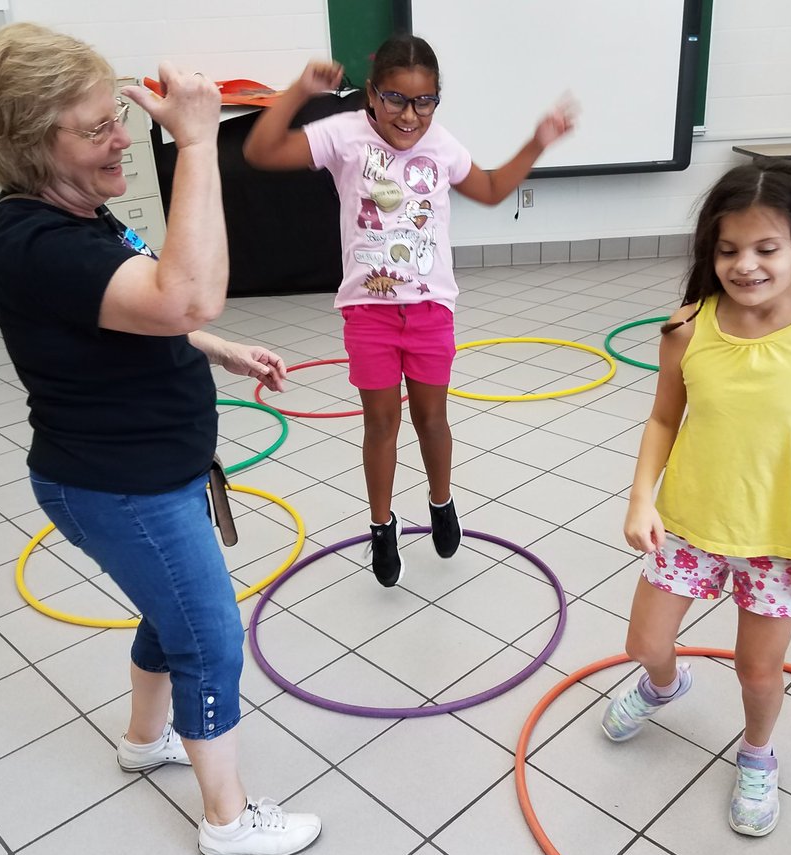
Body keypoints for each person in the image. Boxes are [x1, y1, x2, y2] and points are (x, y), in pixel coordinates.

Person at [0, 23, 320, 855]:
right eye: (96, 127)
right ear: (29, 142)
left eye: (115, 118)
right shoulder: (34, 240)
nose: (123, 136)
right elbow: (185, 294)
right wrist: (196, 141)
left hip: (140, 475)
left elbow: (150, 306)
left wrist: (220, 348)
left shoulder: (81, 219)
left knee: (172, 616)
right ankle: (228, 820)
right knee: (208, 636)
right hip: (120, 487)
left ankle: (142, 739)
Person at [600, 160, 791, 837]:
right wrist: (642, 499)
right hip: (691, 526)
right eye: (727, 250)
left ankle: (757, 754)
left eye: (766, 248)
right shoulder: (688, 326)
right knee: (644, 642)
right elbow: (665, 418)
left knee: (758, 674)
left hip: (781, 542)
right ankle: (665, 687)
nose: (744, 265)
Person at [243, 35, 574, 587]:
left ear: (437, 101)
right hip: (368, 310)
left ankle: (441, 503)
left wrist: (537, 142)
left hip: (429, 309)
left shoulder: (439, 144)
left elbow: (490, 188)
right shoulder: (343, 133)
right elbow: (259, 152)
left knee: (431, 420)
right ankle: (381, 524)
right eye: (396, 98)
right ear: (371, 94)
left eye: (424, 101)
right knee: (381, 423)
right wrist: (301, 89)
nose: (410, 115)